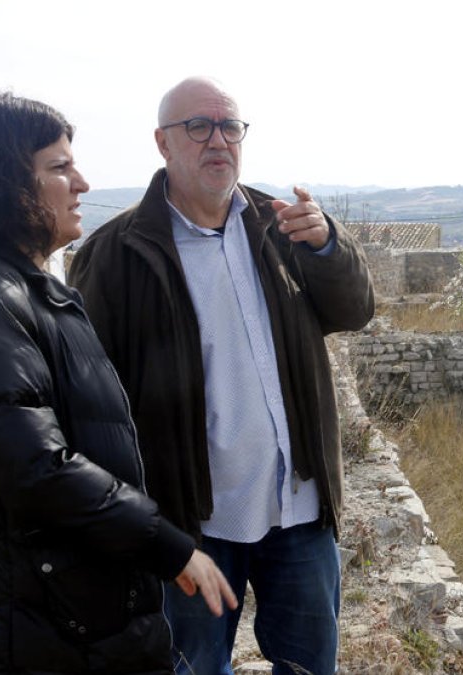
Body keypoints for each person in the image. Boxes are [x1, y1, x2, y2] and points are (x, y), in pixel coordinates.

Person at [0, 90, 237, 675]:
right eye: (59, 168)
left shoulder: (23, 289)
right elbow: (33, 463)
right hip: (35, 628)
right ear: (4, 184)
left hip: (68, 618)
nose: (83, 183)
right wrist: (168, 546)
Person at [69, 76, 375, 675]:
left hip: (299, 511)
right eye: (199, 127)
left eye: (230, 127)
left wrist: (329, 248)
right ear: (163, 143)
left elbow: (355, 310)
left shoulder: (282, 226)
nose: (218, 141)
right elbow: (90, 403)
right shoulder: (117, 253)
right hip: (193, 526)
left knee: (311, 667)